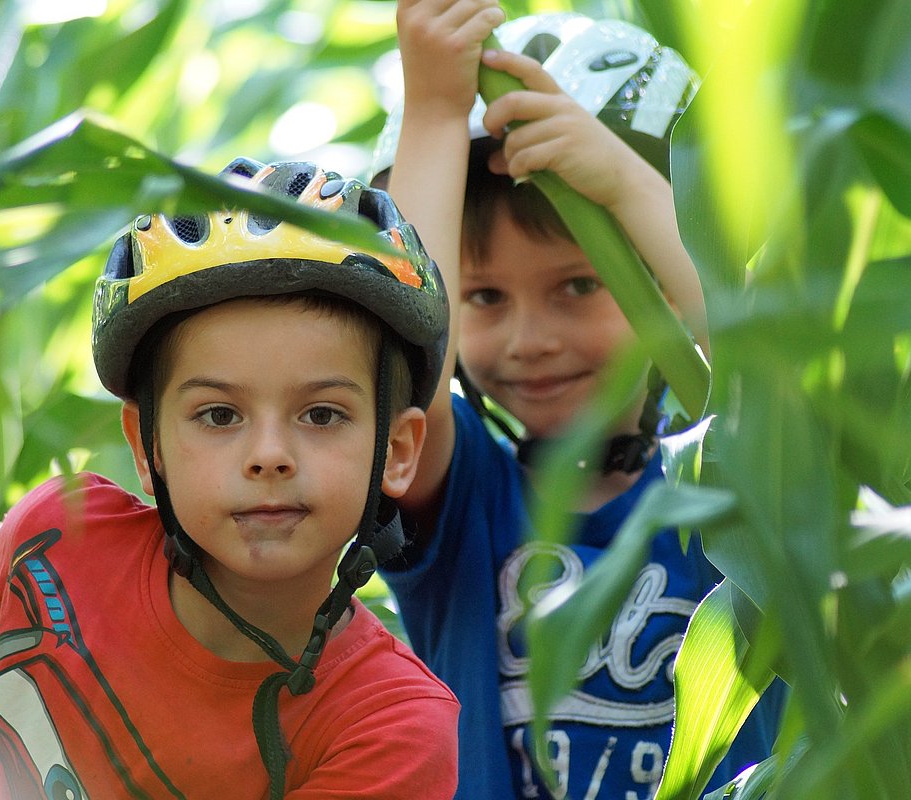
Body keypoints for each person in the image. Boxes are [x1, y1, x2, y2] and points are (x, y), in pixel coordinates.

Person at [0, 156, 460, 799]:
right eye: (219, 414)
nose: (270, 454)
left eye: (322, 414)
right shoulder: (59, 543)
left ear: (395, 451)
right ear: (147, 447)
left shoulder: (391, 727)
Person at [369, 4, 783, 800]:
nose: (530, 339)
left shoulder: (735, 473)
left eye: (580, 284)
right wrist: (433, 112)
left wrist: (632, 186)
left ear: (664, 276)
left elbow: (763, 358)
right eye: (484, 296)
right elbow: (400, 371)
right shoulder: (464, 498)